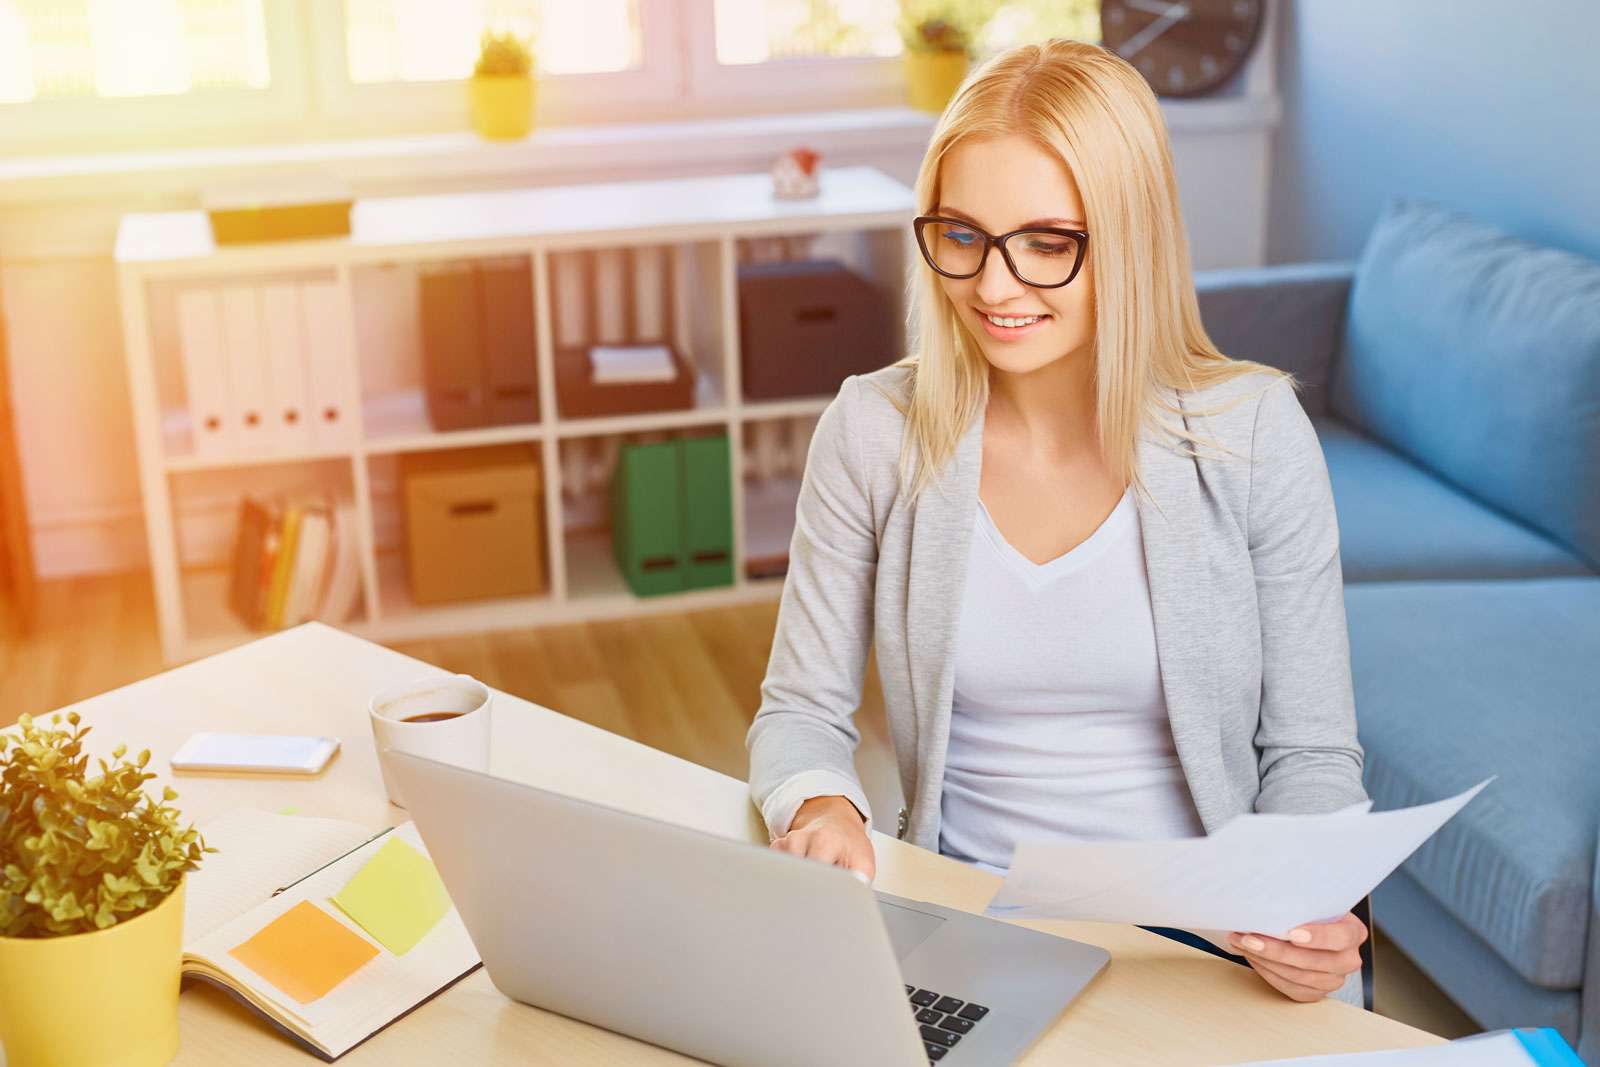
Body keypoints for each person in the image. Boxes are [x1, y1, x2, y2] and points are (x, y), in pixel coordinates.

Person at [745, 38, 1370, 1006]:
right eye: (961, 235)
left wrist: (1301, 905)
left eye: (1046, 242)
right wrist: (824, 806)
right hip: (971, 914)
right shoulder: (875, 430)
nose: (993, 287)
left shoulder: (1249, 431)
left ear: (1131, 237)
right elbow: (800, 710)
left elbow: (1311, 751)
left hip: (1207, 939)